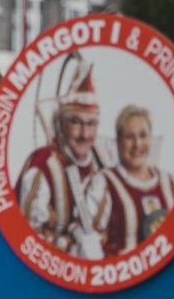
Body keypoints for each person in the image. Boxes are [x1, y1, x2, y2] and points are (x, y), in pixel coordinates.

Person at [16, 61, 107, 258]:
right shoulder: (43, 165)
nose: (84, 134)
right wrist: (71, 245)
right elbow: (27, 236)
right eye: (76, 122)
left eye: (91, 124)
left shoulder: (95, 167)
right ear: (61, 124)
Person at [90, 105, 174, 256]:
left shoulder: (169, 183)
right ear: (118, 142)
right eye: (129, 137)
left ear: (151, 138)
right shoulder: (104, 183)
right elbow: (89, 242)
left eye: (143, 135)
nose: (137, 144)